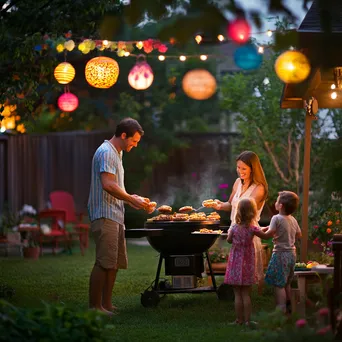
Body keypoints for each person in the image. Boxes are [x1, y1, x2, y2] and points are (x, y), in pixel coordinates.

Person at [87, 117, 154, 315]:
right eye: (134, 141)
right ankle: (94, 307)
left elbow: (116, 187)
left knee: (113, 263)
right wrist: (132, 201)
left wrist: (133, 198)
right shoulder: (106, 152)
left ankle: (106, 304)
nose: (135, 145)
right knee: (103, 261)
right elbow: (107, 184)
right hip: (104, 213)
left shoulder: (117, 153)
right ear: (123, 135)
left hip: (115, 213)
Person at [213, 151, 268, 289]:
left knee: (248, 276)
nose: (240, 171)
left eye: (244, 168)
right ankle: (241, 296)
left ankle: (251, 298)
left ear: (252, 169)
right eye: (238, 167)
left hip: (249, 233)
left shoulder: (259, 188)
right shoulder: (238, 182)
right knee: (238, 273)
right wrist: (219, 205)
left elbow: (246, 211)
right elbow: (231, 204)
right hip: (237, 231)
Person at [225, 197, 268, 327]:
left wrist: (230, 234)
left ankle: (239, 320)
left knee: (237, 293)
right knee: (246, 293)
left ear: (238, 211)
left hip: (235, 262)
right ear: (253, 212)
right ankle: (248, 321)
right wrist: (268, 229)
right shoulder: (252, 228)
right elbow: (264, 235)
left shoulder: (234, 228)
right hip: (248, 263)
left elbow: (228, 240)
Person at [257, 191, 302, 314]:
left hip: (280, 254)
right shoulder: (292, 219)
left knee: (278, 284)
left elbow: (267, 236)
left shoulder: (276, 218)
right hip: (291, 254)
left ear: (280, 205)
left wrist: (255, 232)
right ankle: (289, 307)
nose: (275, 203)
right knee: (286, 282)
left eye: (277, 201)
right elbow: (299, 234)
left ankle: (280, 310)